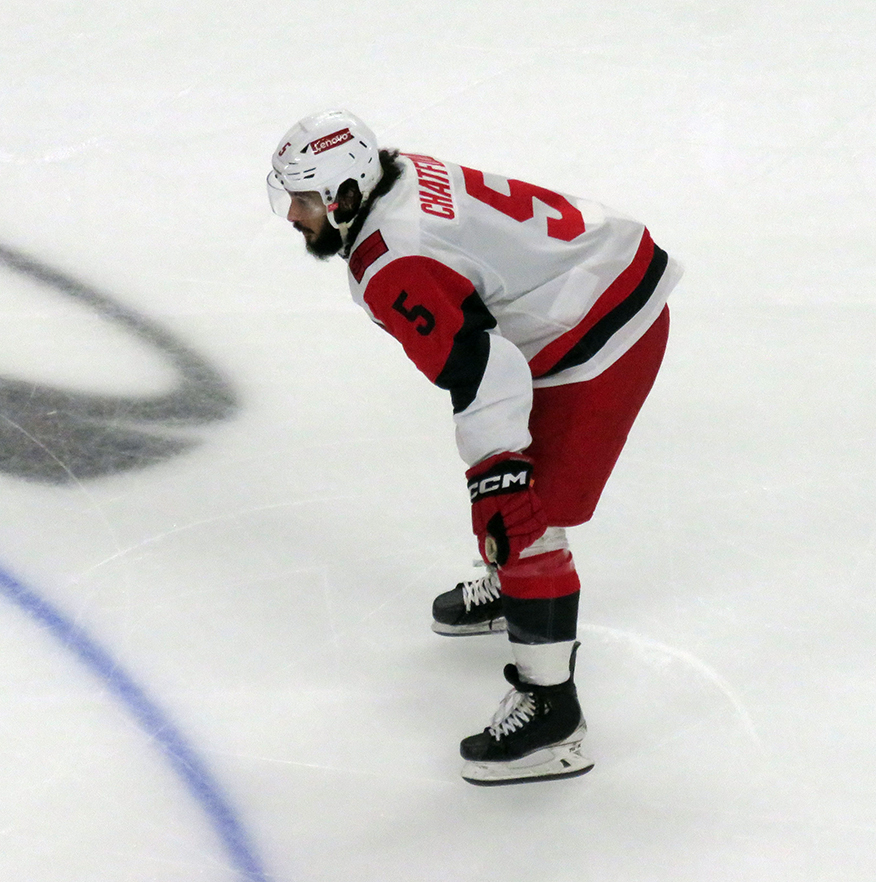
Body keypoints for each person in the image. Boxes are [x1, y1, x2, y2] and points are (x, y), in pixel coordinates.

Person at [267, 110, 682, 786]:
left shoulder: (391, 259)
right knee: (512, 504)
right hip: (594, 280)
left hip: (602, 327)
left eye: (306, 198)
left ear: (346, 195)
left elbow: (486, 371)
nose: (292, 214)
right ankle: (510, 584)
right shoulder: (397, 179)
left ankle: (554, 716)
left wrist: (499, 476)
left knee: (521, 519)